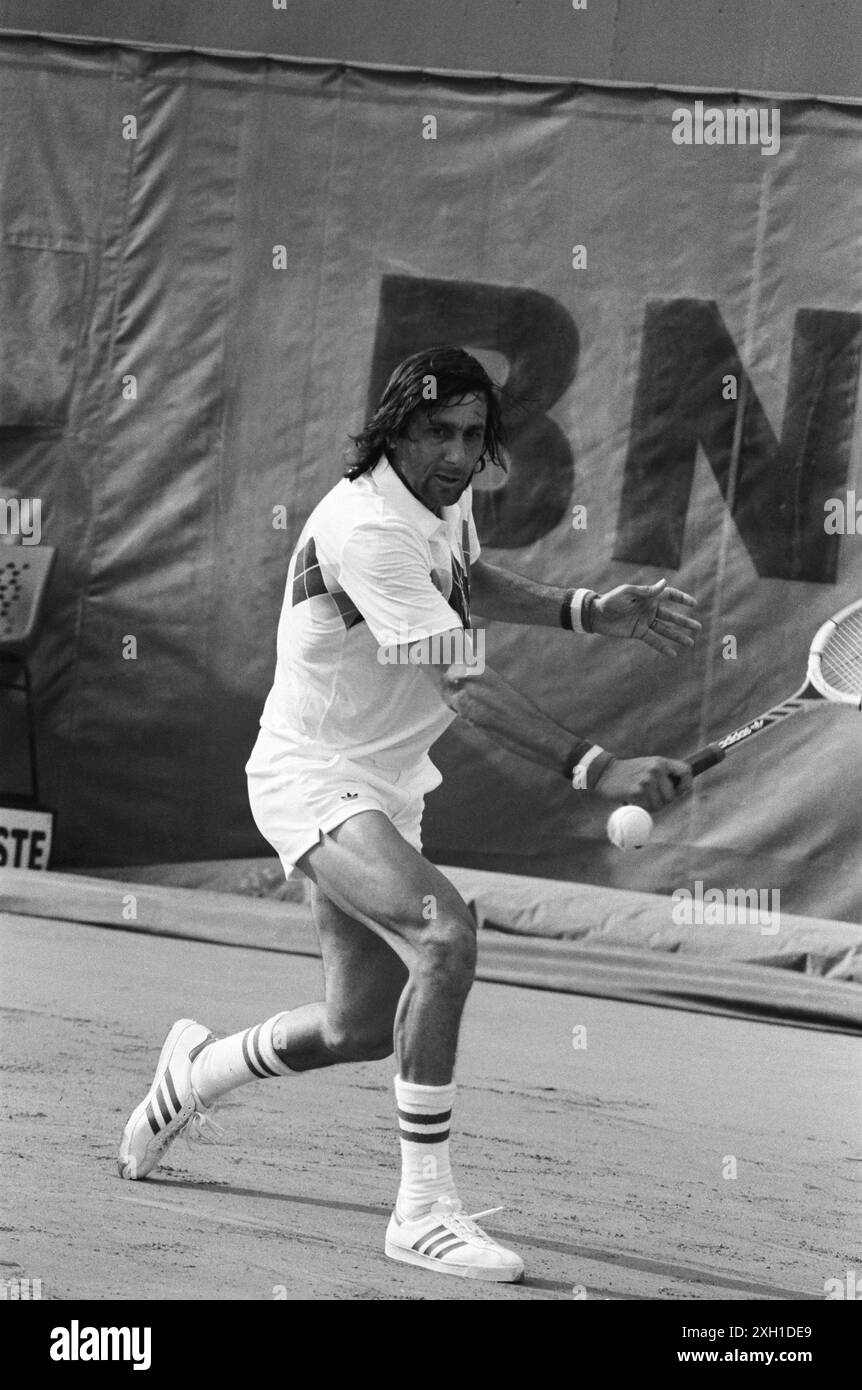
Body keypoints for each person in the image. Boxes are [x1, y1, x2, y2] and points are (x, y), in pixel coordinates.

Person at [118, 347, 701, 1283]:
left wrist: (586, 610)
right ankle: (422, 1212)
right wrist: (598, 768)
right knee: (445, 937)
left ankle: (196, 1073)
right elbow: (463, 683)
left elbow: (464, 578)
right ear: (394, 430)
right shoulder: (367, 528)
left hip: (383, 783)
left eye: (474, 435)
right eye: (437, 432)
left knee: (355, 1025)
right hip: (314, 775)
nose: (457, 454)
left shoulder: (440, 502)